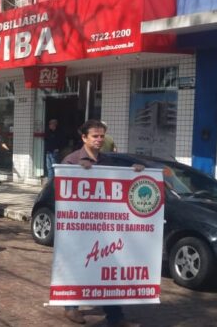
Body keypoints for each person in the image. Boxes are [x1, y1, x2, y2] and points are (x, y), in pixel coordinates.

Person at [61, 120, 141, 327]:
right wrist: (79, 172)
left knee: (107, 270)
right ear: (84, 138)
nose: (99, 140)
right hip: (79, 228)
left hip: (104, 228)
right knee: (80, 266)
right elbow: (60, 191)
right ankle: (71, 307)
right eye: (95, 136)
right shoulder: (71, 161)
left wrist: (137, 172)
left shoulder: (107, 161)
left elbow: (119, 182)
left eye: (101, 136)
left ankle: (115, 316)